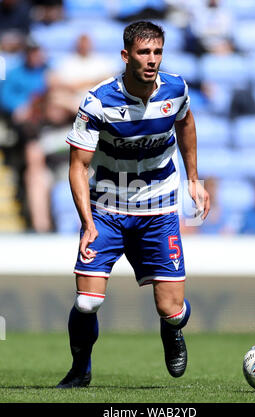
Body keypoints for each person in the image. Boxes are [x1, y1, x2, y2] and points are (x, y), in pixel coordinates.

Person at [56, 21, 210, 389]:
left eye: (157, 52)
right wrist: (88, 222)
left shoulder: (176, 89)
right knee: (87, 303)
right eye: (144, 52)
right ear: (126, 56)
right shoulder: (98, 101)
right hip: (107, 210)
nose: (152, 60)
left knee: (172, 312)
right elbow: (77, 168)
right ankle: (81, 368)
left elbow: (186, 123)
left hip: (158, 211)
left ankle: (171, 331)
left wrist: (193, 179)